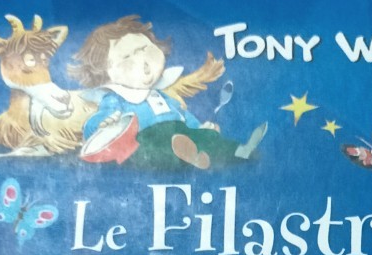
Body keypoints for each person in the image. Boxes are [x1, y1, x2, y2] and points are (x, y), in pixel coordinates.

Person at [69, 15, 265, 167]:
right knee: (150, 149)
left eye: (145, 49)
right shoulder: (116, 98)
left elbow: (182, 115)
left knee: (205, 137)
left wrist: (199, 128)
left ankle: (239, 150)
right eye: (127, 56)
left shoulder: (160, 95)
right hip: (148, 136)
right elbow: (95, 124)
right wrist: (101, 124)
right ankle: (188, 156)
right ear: (105, 70)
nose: (142, 59)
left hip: (178, 130)